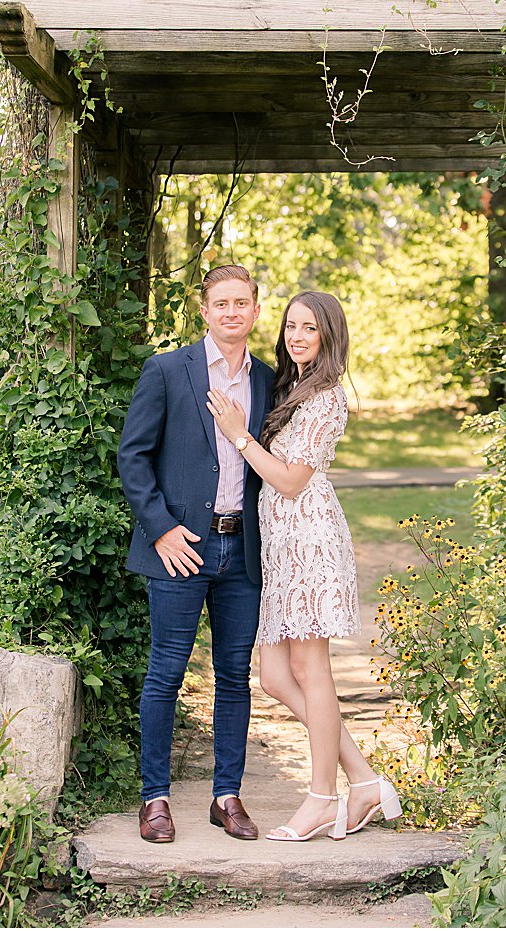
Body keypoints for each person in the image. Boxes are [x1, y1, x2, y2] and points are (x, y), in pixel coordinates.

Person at [206, 291, 402, 842]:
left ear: (328, 336)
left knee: (312, 669)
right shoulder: (291, 388)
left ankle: (322, 798)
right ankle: (362, 780)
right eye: (291, 326)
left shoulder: (326, 400)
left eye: (309, 329)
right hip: (278, 545)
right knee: (273, 676)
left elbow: (291, 480)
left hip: (309, 540)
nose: (296, 337)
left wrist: (238, 435)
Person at [118, 263, 277, 844]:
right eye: (222, 303)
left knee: (235, 676)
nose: (233, 312)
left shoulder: (267, 381)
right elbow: (133, 457)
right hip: (180, 547)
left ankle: (226, 796)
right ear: (204, 310)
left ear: (256, 311)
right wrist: (160, 529)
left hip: (242, 550)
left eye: (243, 303)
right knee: (166, 672)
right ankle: (154, 799)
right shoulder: (166, 370)